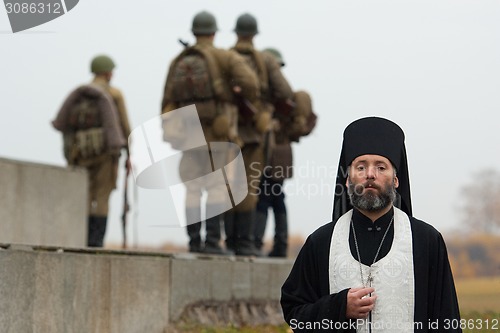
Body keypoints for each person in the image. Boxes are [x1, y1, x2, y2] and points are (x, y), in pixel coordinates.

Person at [281, 117, 461, 332]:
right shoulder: (321, 242)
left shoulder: (426, 240)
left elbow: (447, 321)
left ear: (396, 179)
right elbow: (295, 313)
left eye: (381, 167)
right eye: (361, 166)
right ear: (348, 179)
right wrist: (337, 308)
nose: (370, 174)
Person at [161, 11, 259, 255]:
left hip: (188, 132)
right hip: (218, 131)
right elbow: (252, 84)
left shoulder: (179, 61)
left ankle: (194, 241)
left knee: (192, 188)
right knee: (217, 186)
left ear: (194, 32)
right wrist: (234, 90)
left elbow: (167, 99)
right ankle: (212, 243)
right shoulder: (225, 56)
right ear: (214, 33)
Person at [224, 13, 294, 256]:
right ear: (254, 34)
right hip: (256, 133)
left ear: (236, 32)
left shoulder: (223, 58)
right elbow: (286, 91)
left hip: (227, 131)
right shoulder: (265, 61)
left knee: (228, 187)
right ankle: (245, 244)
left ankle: (231, 242)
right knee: (252, 188)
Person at [52, 55, 131, 247]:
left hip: (80, 153)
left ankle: (83, 240)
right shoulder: (114, 94)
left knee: (84, 196)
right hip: (105, 154)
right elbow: (125, 127)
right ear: (107, 72)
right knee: (101, 196)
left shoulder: (80, 94)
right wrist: (129, 152)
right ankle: (96, 242)